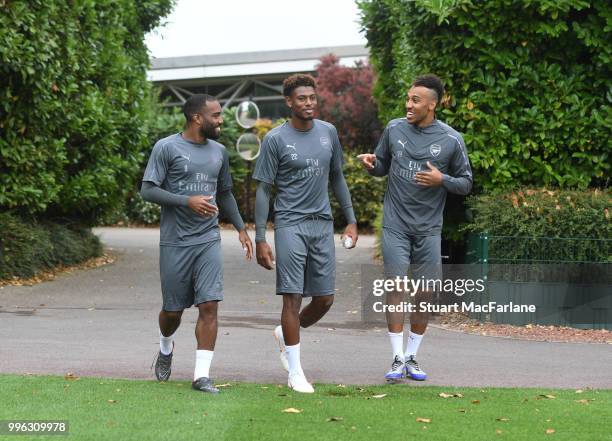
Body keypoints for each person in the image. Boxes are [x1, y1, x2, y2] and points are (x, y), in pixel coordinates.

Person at [357, 74, 472, 382]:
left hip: (428, 229)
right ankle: (396, 358)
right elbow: (382, 165)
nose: (408, 104)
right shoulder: (394, 128)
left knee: (424, 294)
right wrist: (371, 165)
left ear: (432, 105)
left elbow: (466, 183)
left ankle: (412, 357)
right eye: (408, 99)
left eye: (415, 100)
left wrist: (442, 180)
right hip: (395, 224)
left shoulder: (451, 140)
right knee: (394, 288)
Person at [253, 74, 358, 393]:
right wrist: (260, 236)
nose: (309, 103)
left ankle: (285, 334)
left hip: (322, 223)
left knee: (325, 298)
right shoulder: (275, 139)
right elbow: (263, 190)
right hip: (289, 224)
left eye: (312, 97)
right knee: (292, 296)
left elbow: (337, 176)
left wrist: (351, 219)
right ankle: (295, 372)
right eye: (302, 98)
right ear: (289, 102)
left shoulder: (328, 132)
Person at [141, 94, 253, 394]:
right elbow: (148, 190)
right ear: (196, 118)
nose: (221, 120)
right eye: (215, 115)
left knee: (209, 305)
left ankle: (201, 375)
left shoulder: (219, 152)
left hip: (208, 239)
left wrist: (241, 228)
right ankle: (166, 345)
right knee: (172, 312)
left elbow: (225, 193)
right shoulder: (166, 148)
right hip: (175, 243)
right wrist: (185, 201)